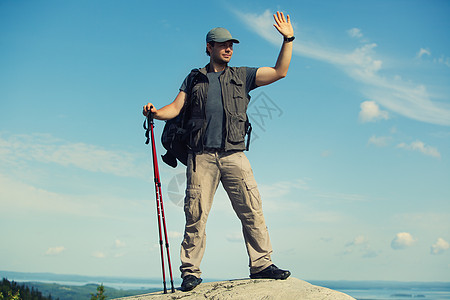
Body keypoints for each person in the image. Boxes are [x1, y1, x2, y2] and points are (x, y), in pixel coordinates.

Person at [143, 11, 294, 292]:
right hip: (201, 157)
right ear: (209, 47)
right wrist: (155, 113)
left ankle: (261, 264)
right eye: (223, 44)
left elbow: (280, 72)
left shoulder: (243, 76)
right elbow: (174, 108)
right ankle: (190, 271)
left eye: (231, 45)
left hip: (235, 155)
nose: (229, 48)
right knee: (195, 214)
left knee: (252, 209)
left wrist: (288, 39)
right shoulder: (194, 79)